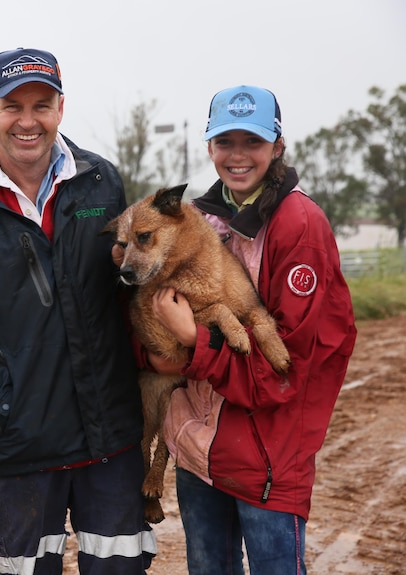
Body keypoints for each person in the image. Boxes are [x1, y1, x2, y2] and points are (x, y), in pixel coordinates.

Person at [0, 47, 156, 574]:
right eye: (12, 105)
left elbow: (131, 286)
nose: (27, 121)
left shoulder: (101, 184)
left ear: (60, 109)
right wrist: (0, 400)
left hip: (108, 444)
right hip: (18, 448)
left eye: (42, 105)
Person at [137, 85, 357, 575]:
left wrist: (193, 345)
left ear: (277, 146)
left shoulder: (298, 224)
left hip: (267, 461)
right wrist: (154, 347)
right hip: (200, 450)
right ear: (209, 146)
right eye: (225, 142)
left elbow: (290, 364)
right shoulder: (202, 218)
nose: (237, 156)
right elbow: (153, 305)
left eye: (252, 142)